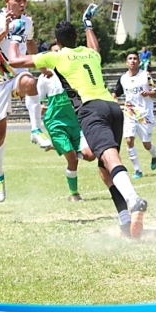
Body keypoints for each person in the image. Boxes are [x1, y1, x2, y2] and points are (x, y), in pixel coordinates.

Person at [7, 4, 149, 239]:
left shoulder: (58, 55)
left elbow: (14, 61)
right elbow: (95, 46)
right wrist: (88, 25)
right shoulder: (90, 53)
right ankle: (125, 220)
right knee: (105, 168)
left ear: (58, 41)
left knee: (110, 158)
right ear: (76, 38)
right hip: (113, 108)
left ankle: (133, 199)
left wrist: (15, 35)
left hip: (90, 110)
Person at [0, 0, 52, 203]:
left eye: (25, 0)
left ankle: (35, 130)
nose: (22, 4)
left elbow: (30, 45)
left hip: (18, 76)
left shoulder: (28, 21)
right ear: (7, 1)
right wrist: (5, 31)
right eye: (18, 0)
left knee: (30, 81)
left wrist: (42, 67)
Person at [37, 43, 96, 202]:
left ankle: (60, 146)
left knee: (90, 155)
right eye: (54, 52)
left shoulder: (72, 72)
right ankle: (74, 194)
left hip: (73, 120)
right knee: (72, 159)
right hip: (55, 121)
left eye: (60, 51)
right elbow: (38, 100)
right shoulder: (44, 77)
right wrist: (41, 106)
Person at [112, 51, 156, 179]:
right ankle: (137, 170)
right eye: (130, 59)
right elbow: (115, 93)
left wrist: (148, 93)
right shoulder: (123, 78)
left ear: (139, 62)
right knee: (129, 140)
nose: (132, 61)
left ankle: (154, 155)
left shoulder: (145, 76)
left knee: (146, 144)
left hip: (145, 114)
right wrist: (114, 101)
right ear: (127, 62)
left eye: (135, 59)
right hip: (130, 113)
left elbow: (155, 92)